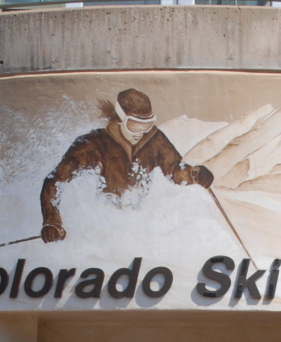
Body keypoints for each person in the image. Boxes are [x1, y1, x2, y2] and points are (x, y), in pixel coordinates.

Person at [38, 88, 214, 243]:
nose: (141, 133)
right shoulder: (94, 144)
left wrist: (193, 174)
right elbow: (56, 181)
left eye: (147, 124)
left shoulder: (154, 140)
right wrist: (52, 221)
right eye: (135, 125)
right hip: (102, 225)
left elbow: (174, 168)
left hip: (136, 223)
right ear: (121, 119)